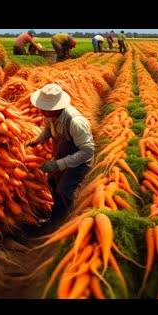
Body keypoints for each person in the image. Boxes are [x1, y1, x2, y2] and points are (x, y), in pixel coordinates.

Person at [26, 83, 94, 225]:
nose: (42, 111)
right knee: (51, 181)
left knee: (63, 191)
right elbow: (48, 129)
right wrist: (37, 140)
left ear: (57, 107)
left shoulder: (76, 122)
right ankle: (58, 211)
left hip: (79, 162)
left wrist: (58, 164)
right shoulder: (49, 115)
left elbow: (87, 151)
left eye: (46, 108)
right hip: (61, 155)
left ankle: (60, 222)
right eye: (42, 107)